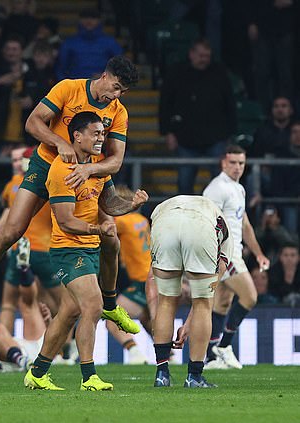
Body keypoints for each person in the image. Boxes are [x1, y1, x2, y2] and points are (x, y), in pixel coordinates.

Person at [0, 55, 140, 332]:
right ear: (105, 76)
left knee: (111, 235)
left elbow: (116, 160)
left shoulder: (118, 112)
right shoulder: (69, 89)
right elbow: (33, 123)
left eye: (122, 92)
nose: (116, 95)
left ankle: (110, 305)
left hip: (85, 173)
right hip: (46, 165)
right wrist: (60, 143)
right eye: (116, 87)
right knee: (11, 231)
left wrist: (92, 174)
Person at [23, 112, 148, 391]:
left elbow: (110, 203)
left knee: (68, 312)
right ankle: (89, 377)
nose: (101, 138)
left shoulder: (97, 166)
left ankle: (37, 373)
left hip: (91, 247)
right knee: (92, 305)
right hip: (68, 249)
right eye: (95, 133)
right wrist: (97, 231)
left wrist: (131, 205)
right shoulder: (61, 170)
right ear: (76, 136)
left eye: (103, 134)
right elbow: (65, 220)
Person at [150, 195, 234, 388]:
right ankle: (194, 377)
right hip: (200, 226)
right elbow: (208, 294)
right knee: (204, 303)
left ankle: (161, 374)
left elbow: (150, 280)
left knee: (166, 301)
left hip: (164, 222)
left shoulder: (163, 209)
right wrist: (190, 322)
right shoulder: (226, 233)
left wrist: (188, 323)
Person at [202, 145, 270, 370]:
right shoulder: (216, 189)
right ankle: (224, 346)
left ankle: (212, 359)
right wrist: (216, 255)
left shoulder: (238, 189)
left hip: (236, 252)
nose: (238, 167)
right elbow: (207, 222)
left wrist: (259, 253)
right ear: (223, 163)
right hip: (225, 255)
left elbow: (245, 224)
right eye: (233, 162)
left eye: (241, 163)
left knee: (221, 304)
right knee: (250, 297)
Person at [0, 146, 59, 332]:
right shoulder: (53, 183)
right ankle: (63, 350)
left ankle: (4, 351)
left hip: (19, 247)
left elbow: (8, 212)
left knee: (8, 304)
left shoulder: (13, 185)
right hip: (45, 250)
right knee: (64, 305)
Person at [159, 38, 236, 195]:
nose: (204, 59)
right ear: (191, 54)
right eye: (201, 55)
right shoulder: (177, 73)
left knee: (220, 183)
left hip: (216, 137)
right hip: (185, 138)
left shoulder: (219, 73)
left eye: (207, 56)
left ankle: (218, 217)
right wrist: (167, 132)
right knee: (184, 183)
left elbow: (230, 105)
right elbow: (165, 104)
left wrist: (229, 135)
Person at [106, 185, 154, 364]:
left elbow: (104, 226)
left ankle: (135, 353)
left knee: (112, 318)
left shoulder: (123, 223)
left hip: (143, 279)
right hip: (152, 276)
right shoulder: (141, 219)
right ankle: (169, 357)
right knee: (147, 319)